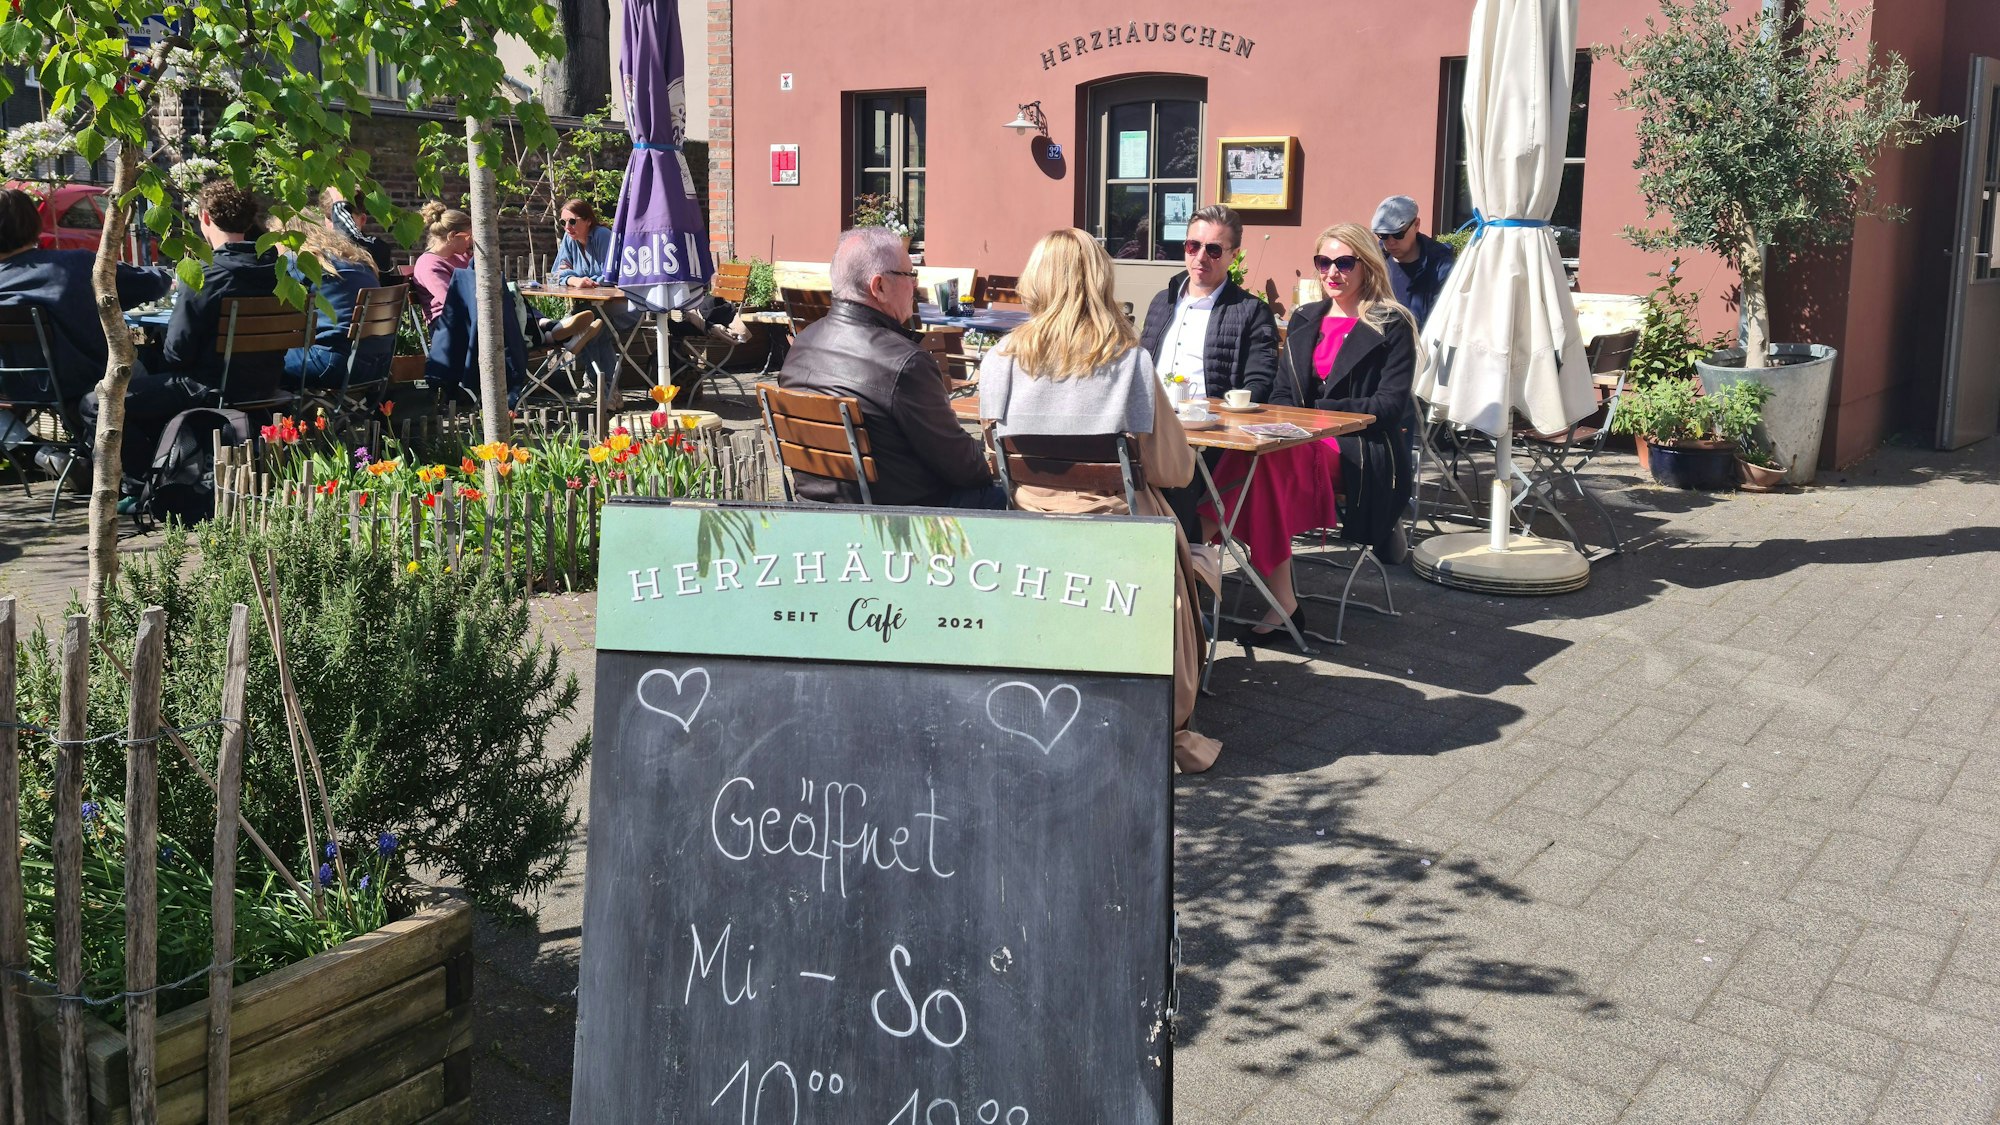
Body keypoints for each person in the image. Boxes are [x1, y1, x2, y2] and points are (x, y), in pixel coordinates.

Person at [976, 228, 1220, 773]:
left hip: (1030, 530)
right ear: (1101, 280)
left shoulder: (1001, 358)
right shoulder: (1127, 360)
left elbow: (995, 456)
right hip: (1115, 533)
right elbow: (1173, 470)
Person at [776, 226, 997, 508]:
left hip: (813, 509)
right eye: (910, 275)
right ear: (879, 287)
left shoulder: (802, 344)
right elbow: (964, 467)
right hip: (900, 518)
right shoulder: (904, 363)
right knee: (1013, 502)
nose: (915, 286)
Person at [82, 180, 284, 486]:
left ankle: (147, 484)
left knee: (96, 404)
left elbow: (177, 354)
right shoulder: (279, 272)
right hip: (267, 383)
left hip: (210, 386)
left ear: (205, 217)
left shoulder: (205, 276)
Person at [0, 186, 172, 475]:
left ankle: (43, 455)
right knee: (157, 366)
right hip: (93, 378)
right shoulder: (75, 266)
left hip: (15, 388)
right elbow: (153, 284)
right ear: (34, 223)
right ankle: (159, 462)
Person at [1137, 203, 1279, 539]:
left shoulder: (1250, 311)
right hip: (1150, 427)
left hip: (1210, 436)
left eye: (1213, 249)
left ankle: (1183, 556)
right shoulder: (1162, 301)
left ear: (1233, 256)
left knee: (1179, 476)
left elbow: (1259, 382)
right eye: (1193, 246)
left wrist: (1215, 413)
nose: (1201, 257)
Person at [1283, 222, 1421, 567]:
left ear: (1367, 265)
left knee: (1271, 468)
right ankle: (1202, 548)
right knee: (1248, 461)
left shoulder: (1391, 322)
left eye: (1344, 263)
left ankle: (1211, 554)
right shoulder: (1304, 318)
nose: (1332, 273)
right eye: (1323, 262)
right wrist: (1289, 424)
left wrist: (1320, 413)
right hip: (1297, 437)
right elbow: (1281, 391)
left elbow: (1389, 406)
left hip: (1359, 444)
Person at [412, 200, 597, 349]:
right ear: (453, 236)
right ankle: (559, 334)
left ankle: (555, 332)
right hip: (453, 327)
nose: (471, 242)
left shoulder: (462, 257)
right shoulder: (430, 265)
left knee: (511, 297)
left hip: (479, 318)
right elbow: (454, 303)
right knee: (505, 306)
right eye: (469, 236)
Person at [277, 211, 380, 389]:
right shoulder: (360, 262)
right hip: (375, 364)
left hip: (328, 362)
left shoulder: (300, 262)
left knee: (257, 363)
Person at [1371, 195, 1455, 329]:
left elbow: (1445, 320)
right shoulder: (1374, 260)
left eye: (1398, 234)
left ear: (1416, 225)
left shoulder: (1440, 266)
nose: (1391, 242)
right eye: (1383, 235)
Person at [319, 186, 397, 275]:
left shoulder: (377, 247)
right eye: (330, 219)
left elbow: (349, 241)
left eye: (344, 218)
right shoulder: (318, 247)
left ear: (362, 220)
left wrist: (339, 204)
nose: (335, 225)